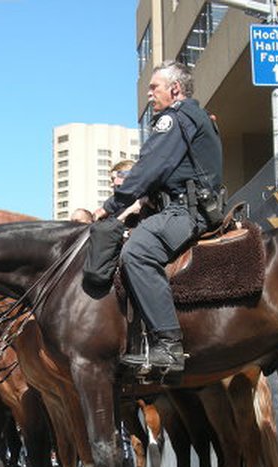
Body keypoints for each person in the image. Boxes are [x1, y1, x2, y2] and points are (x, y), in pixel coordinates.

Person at [94, 61, 223, 372]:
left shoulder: (175, 118)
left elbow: (151, 167)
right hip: (181, 207)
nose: (150, 95)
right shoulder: (191, 116)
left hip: (185, 211)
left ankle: (168, 346)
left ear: (174, 89)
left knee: (136, 252)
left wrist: (111, 206)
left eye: (155, 88)